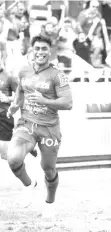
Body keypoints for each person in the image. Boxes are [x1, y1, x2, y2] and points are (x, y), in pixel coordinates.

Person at [6, 35, 73, 216]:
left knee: (48, 169)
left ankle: (50, 203)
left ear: (50, 52)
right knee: (13, 158)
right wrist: (14, 107)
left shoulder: (57, 75)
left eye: (44, 49)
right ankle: (29, 185)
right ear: (32, 50)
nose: (40, 52)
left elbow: (68, 103)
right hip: (27, 123)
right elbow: (21, 91)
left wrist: (45, 100)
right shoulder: (24, 71)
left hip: (49, 128)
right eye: (37, 48)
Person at [0, 61, 37, 160]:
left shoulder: (8, 77)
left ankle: (24, 146)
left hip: (3, 116)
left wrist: (7, 99)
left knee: (5, 155)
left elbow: (22, 94)